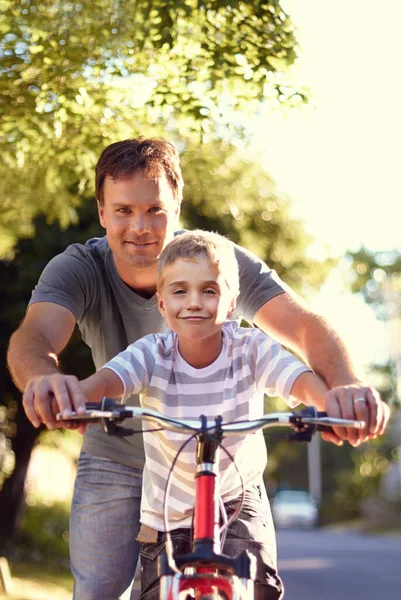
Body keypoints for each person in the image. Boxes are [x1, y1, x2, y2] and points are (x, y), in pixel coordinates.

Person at [7, 137, 389, 600]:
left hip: (225, 468)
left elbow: (303, 327)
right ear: (102, 212)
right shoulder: (81, 268)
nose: (140, 227)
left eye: (155, 210)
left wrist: (343, 388)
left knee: (256, 583)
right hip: (117, 455)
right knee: (100, 589)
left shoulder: (217, 263)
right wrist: (47, 382)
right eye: (123, 210)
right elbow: (36, 336)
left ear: (177, 205)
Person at [61, 229, 334, 600]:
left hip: (236, 499)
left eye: (209, 290)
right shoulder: (153, 352)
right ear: (161, 303)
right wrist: (78, 399)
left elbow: (297, 379)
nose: (194, 302)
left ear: (232, 302)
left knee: (258, 586)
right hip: (167, 513)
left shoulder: (250, 348)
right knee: (159, 592)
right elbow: (110, 378)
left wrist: (328, 402)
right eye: (179, 291)